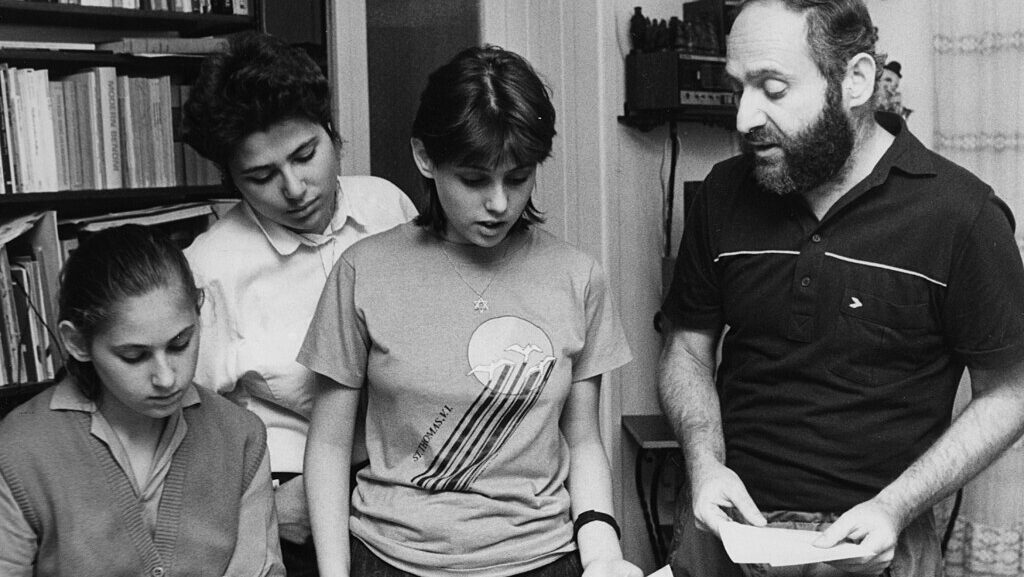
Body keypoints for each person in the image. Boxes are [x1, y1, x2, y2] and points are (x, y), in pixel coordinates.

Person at [657, 1, 1024, 577]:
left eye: (773, 89)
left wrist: (896, 506)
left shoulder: (962, 214)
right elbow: (686, 348)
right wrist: (704, 465)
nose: (745, 118)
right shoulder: (723, 193)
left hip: (877, 543)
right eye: (738, 88)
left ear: (855, 80)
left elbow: (1010, 392)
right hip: (726, 532)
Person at [299, 45, 643, 577]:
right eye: (475, 179)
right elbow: (327, 445)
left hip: (543, 559)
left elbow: (583, 441)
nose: (500, 203)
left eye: (518, 177)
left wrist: (602, 553)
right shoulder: (362, 272)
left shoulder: (578, 277)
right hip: (392, 559)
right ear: (425, 157)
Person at [182, 31, 418, 575]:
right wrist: (265, 506)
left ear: (331, 131)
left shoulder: (389, 206)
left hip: (411, 478)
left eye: (306, 155)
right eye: (261, 176)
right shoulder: (210, 268)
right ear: (231, 180)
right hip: (295, 504)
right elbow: (184, 424)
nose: (293, 188)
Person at [0, 225, 283, 577]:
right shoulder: (18, 451)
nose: (166, 378)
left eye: (180, 344)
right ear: (77, 343)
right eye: (134, 356)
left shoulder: (240, 437)